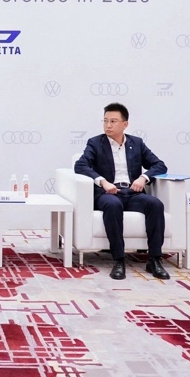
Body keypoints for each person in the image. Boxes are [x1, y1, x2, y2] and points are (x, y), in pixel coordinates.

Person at [75, 102, 170, 281]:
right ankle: (119, 260)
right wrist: (103, 182)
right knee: (113, 205)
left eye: (113, 121)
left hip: (132, 193)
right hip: (108, 193)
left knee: (155, 204)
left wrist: (143, 178)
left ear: (125, 124)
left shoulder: (137, 143)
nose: (108, 125)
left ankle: (154, 259)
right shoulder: (95, 143)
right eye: (105, 121)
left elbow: (159, 165)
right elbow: (80, 165)